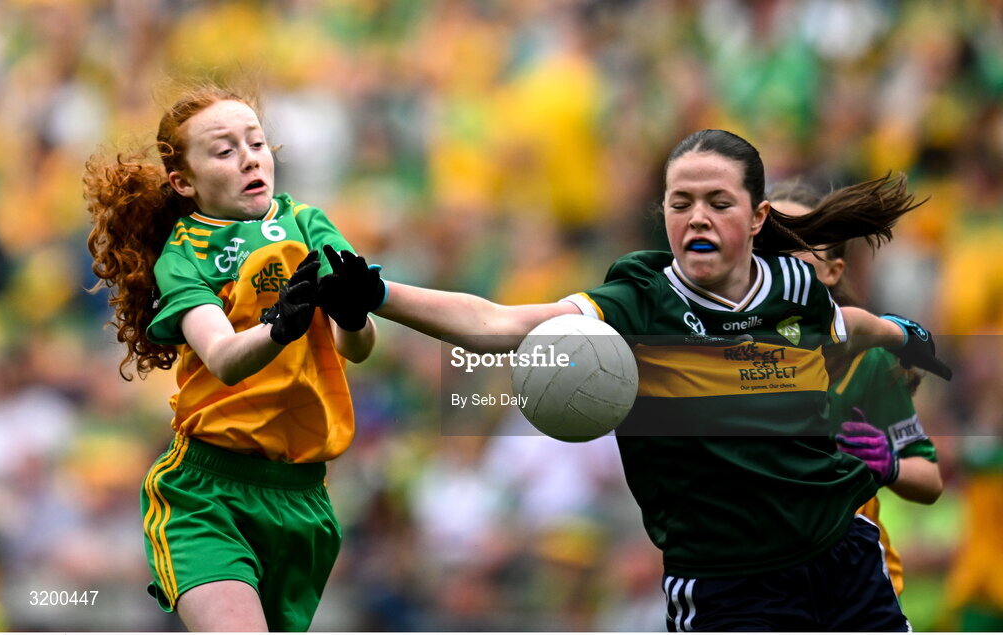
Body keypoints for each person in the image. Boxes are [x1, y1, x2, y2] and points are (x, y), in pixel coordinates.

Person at [317, 129, 952, 631]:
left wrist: (904, 335)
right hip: (731, 586)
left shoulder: (794, 287)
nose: (697, 217)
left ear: (757, 219)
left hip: (845, 556)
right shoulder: (637, 302)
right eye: (681, 203)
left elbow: (852, 324)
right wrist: (380, 292)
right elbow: (496, 324)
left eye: (718, 202)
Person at [84, 81, 376, 632]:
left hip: (302, 498)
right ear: (183, 182)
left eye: (258, 144)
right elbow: (221, 356)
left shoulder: (309, 225)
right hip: (206, 494)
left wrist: (357, 315)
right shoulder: (183, 256)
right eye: (224, 150)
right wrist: (280, 326)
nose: (249, 159)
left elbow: (355, 348)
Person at [770, 178, 943, 597]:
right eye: (767, 240)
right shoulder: (727, 353)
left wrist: (889, 464)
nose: (778, 256)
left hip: (855, 587)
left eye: (798, 242)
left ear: (833, 270)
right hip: (767, 584)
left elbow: (930, 479)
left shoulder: (869, 364)